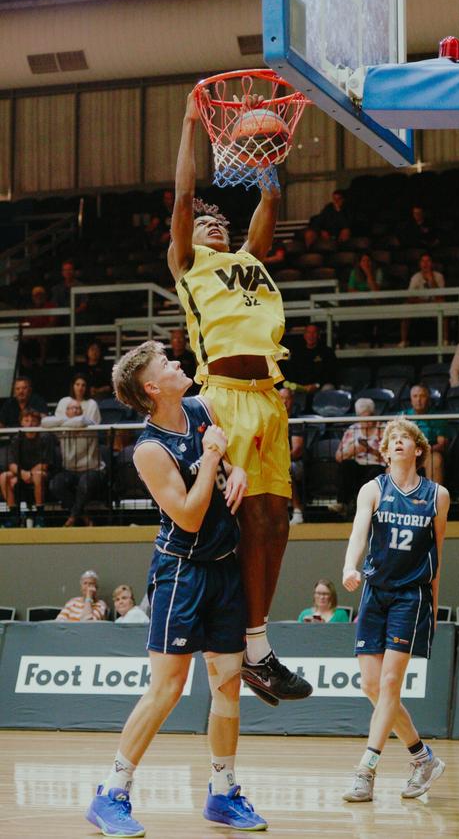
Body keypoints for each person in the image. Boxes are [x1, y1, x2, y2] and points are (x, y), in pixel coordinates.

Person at [86, 338, 267, 836]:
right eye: (166, 362)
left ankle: (223, 792)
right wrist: (212, 459)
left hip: (224, 567)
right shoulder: (148, 449)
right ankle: (111, 793)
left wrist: (239, 469)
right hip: (181, 573)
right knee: (167, 688)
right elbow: (186, 515)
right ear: (151, 386)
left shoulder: (199, 406)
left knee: (227, 684)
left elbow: (230, 440)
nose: (177, 363)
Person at [167, 89, 311, 705]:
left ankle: (258, 647)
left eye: (219, 220)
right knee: (237, 521)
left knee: (276, 522)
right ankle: (227, 639)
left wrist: (265, 155)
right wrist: (191, 124)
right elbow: (180, 196)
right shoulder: (188, 265)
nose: (215, 224)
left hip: (271, 399)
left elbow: (270, 201)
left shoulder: (251, 259)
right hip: (224, 396)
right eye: (207, 222)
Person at [341, 417, 450, 802]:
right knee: (372, 687)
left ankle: (366, 770)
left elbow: (437, 553)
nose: (399, 443)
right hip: (375, 593)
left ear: (419, 449)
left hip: (411, 597)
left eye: (406, 438)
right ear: (384, 452)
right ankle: (423, 758)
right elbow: (359, 532)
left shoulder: (437, 495)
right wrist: (349, 566)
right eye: (393, 440)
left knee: (389, 685)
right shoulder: (372, 489)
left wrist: (434, 605)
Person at [42, 401, 106, 527]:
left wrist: (62, 423)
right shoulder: (62, 428)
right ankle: (83, 516)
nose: (75, 411)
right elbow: (44, 422)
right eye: (71, 408)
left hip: (93, 469)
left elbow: (80, 421)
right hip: (69, 470)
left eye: (78, 408)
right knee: (55, 484)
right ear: (66, 412)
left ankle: (72, 517)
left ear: (82, 411)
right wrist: (65, 423)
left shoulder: (89, 423)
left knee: (85, 484)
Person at [0, 410, 55, 528]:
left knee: (38, 475)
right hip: (22, 473)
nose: (30, 424)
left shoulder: (45, 437)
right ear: (21, 423)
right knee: (4, 477)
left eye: (33, 421)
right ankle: (14, 515)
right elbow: (11, 464)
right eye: (26, 420)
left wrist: (29, 474)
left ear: (38, 423)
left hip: (41, 473)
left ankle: (40, 516)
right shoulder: (16, 439)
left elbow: (45, 464)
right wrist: (23, 474)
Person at [331, 398, 384, 515]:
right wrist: (353, 450)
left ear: (373, 415)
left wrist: (370, 450)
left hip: (377, 465)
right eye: (362, 417)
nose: (365, 421)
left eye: (368, 417)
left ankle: (366, 508)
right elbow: (338, 456)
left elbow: (390, 456)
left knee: (374, 472)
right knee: (346, 465)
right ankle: (342, 504)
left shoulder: (383, 429)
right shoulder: (352, 429)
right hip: (357, 464)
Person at [399, 253, 447, 348]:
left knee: (444, 308)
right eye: (423, 261)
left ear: (432, 263)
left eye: (428, 261)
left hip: (435, 306)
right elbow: (409, 297)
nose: (425, 264)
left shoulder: (439, 276)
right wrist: (423, 302)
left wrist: (432, 280)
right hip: (419, 305)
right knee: (405, 309)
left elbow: (441, 297)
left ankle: (445, 340)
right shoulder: (415, 277)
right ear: (420, 264)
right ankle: (403, 341)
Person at [402, 384, 448, 483]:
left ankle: (433, 497)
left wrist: (425, 449)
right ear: (410, 399)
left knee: (436, 459)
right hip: (406, 453)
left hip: (428, 452)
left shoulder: (437, 418)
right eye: (415, 396)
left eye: (422, 396)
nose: (418, 400)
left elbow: (442, 444)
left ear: (428, 398)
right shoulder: (402, 416)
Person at [285, 324, 337, 394]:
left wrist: (317, 385)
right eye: (308, 332)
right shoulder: (297, 352)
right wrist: (300, 386)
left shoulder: (327, 352)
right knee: (285, 391)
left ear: (318, 335)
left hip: (320, 386)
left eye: (314, 333)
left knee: (328, 388)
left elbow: (330, 373)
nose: (311, 335)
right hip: (300, 386)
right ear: (304, 335)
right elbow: (292, 372)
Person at [278, 387, 305, 525]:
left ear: (292, 401)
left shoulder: (295, 421)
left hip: (294, 462)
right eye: (281, 398)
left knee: (286, 469)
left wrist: (280, 460)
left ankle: (297, 510)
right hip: (274, 461)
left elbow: (297, 450)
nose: (284, 402)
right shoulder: (274, 418)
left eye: (286, 399)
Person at [165, 327, 198, 393]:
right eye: (175, 338)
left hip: (188, 391)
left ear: (185, 341)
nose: (178, 341)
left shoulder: (192, 357)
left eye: (181, 338)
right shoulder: (165, 356)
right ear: (171, 341)